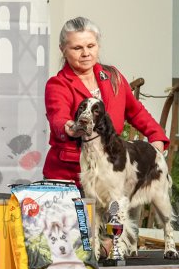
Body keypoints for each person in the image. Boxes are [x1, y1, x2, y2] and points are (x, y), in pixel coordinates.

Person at [43, 16, 168, 186]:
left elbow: (136, 112)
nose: (86, 53)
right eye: (77, 48)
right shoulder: (58, 84)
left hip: (111, 173)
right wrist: (69, 127)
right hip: (70, 176)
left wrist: (157, 136)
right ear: (62, 49)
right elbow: (58, 117)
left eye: (91, 46)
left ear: (98, 45)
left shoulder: (113, 77)